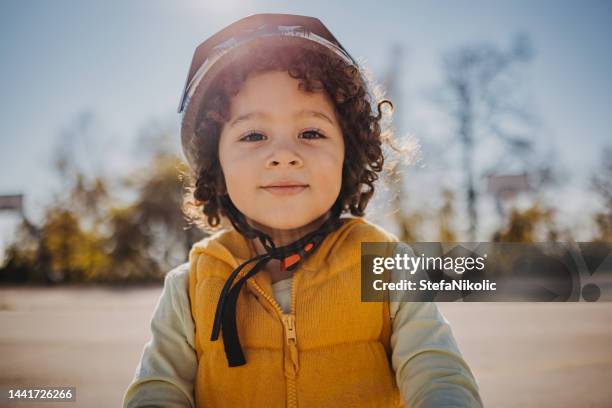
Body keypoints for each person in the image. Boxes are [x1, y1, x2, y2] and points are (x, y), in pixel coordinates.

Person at [123, 13, 482, 408]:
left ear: (349, 155)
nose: (283, 156)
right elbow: (159, 389)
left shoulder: (384, 263)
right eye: (253, 135)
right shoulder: (190, 285)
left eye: (311, 132)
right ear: (217, 164)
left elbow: (437, 372)